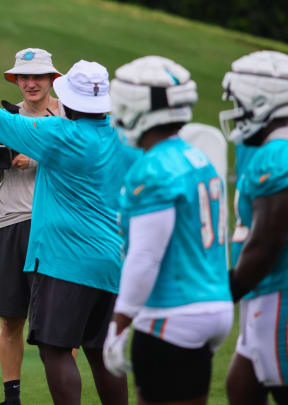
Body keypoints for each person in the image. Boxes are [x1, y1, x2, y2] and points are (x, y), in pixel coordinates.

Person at [0, 60, 138, 405]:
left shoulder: (60, 134)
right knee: (101, 351)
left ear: (69, 100)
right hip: (111, 262)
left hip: (64, 261)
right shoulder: (122, 139)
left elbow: (0, 121)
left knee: (55, 348)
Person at [102, 56, 233, 405]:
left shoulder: (153, 169)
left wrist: (119, 322)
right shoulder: (198, 159)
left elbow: (145, 256)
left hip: (172, 312)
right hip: (214, 304)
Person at [0, 48, 63, 405]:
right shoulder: (4, 118)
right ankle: (11, 398)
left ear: (51, 79)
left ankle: (64, 397)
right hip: (9, 224)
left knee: (60, 324)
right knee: (10, 319)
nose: (31, 83)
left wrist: (38, 157)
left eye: (38, 76)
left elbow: (86, 164)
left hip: (56, 227)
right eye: (24, 77)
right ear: (15, 80)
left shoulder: (70, 116)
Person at [221, 50, 288, 405]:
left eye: (239, 100)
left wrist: (226, 289)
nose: (236, 109)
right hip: (265, 290)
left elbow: (267, 240)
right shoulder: (272, 147)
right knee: (241, 385)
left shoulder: (278, 154)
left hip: (279, 292)